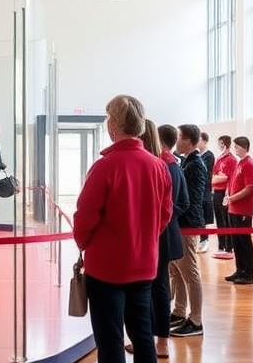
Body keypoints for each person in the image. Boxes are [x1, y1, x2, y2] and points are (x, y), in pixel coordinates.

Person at [73, 96, 172, 363]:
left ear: (113, 125)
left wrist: (84, 244)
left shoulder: (105, 167)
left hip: (106, 268)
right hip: (143, 264)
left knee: (110, 339)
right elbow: (165, 214)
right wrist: (145, 236)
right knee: (142, 335)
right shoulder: (158, 166)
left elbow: (85, 218)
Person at [125, 120, 188, 358]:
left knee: (158, 288)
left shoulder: (167, 166)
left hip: (160, 236)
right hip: (156, 233)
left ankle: (159, 341)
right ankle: (149, 339)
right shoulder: (164, 164)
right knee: (152, 288)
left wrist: (159, 219)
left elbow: (179, 203)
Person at [168, 124, 208, 337]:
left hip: (188, 224)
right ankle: (180, 311)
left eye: (180, 137)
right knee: (176, 271)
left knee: (189, 271)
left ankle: (196, 320)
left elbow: (190, 199)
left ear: (190, 141)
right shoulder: (186, 162)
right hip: (181, 223)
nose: (177, 141)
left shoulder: (195, 164)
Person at [223, 136, 253, 285]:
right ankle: (240, 270)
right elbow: (232, 183)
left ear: (243, 147)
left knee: (244, 242)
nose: (235, 149)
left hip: (242, 209)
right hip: (234, 209)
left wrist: (232, 198)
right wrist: (228, 195)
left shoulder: (249, 164)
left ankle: (248, 273)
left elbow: (250, 188)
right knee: (236, 242)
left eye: (236, 146)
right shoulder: (240, 163)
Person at [210, 135, 237, 259]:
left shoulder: (231, 159)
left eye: (219, 143)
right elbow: (214, 175)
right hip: (216, 192)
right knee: (219, 221)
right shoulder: (219, 158)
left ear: (224, 144)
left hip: (224, 193)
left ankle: (229, 248)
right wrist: (217, 177)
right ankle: (221, 246)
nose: (218, 145)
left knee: (226, 221)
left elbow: (226, 177)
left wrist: (218, 177)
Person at [196, 132, 216, 253]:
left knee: (204, 215)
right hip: (199, 190)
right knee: (199, 215)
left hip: (205, 190)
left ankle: (205, 240)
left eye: (199, 139)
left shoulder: (209, 155)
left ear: (204, 141)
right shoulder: (198, 155)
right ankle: (201, 239)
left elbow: (206, 174)